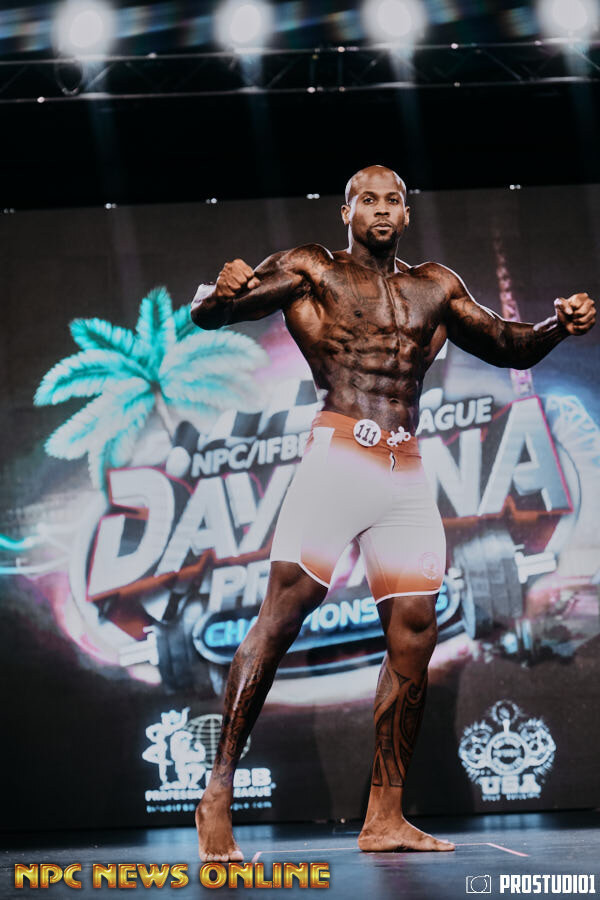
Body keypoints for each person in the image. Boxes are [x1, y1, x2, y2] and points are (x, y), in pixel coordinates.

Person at [190, 165, 596, 860]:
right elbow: (218, 312)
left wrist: (559, 324)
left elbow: (507, 342)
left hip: (404, 469)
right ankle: (218, 791)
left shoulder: (435, 286)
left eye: (393, 200)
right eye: (367, 199)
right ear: (346, 211)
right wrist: (217, 291)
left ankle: (384, 816)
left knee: (415, 631)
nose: (381, 209)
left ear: (406, 215)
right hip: (338, 457)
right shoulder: (313, 270)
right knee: (282, 616)